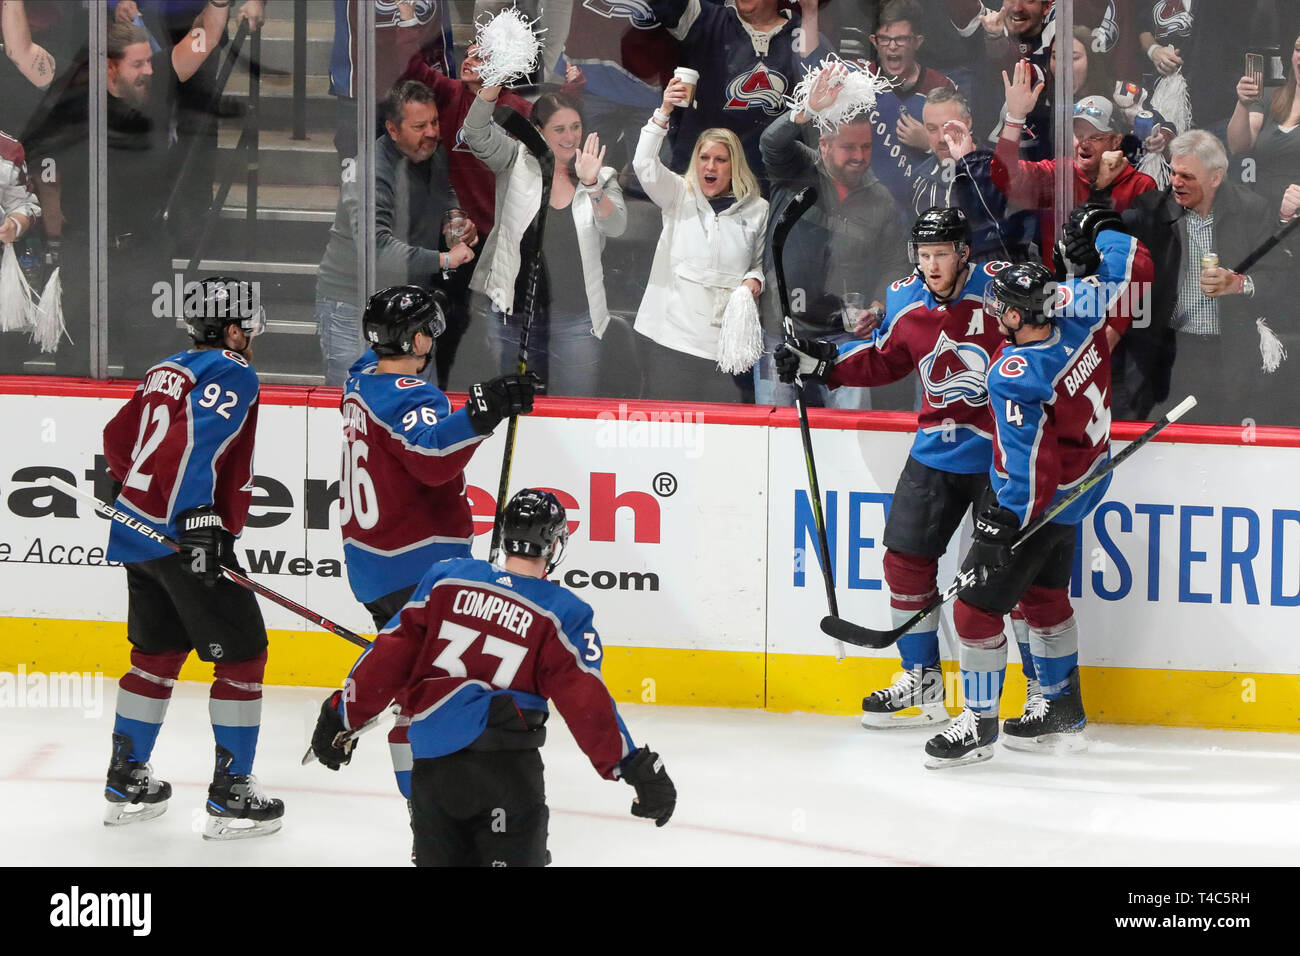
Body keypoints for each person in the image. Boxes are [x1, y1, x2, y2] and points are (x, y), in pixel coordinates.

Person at [311, 488, 677, 867]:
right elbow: (586, 702)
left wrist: (341, 716)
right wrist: (631, 764)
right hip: (505, 773)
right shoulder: (561, 612)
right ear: (554, 546)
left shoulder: (447, 578)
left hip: (434, 771)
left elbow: (387, 656)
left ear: (503, 536)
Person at [775, 207, 1026, 729]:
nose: (933, 267)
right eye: (925, 256)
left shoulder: (1002, 289)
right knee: (904, 562)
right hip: (937, 447)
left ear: (964, 254)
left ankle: (1043, 697)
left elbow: (1047, 340)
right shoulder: (905, 296)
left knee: (1012, 577)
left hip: (1007, 451)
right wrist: (822, 361)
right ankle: (924, 683)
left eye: (942, 255)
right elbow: (886, 358)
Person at [923, 213, 1146, 768]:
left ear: (1019, 315)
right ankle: (1061, 710)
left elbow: (1029, 463)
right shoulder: (1081, 316)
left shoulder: (1017, 372)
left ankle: (977, 723)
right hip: (1085, 482)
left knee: (975, 611)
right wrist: (1108, 232)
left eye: (999, 308)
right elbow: (1126, 269)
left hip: (1040, 506)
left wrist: (1004, 524)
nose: (993, 312)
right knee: (1044, 598)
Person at [337, 284, 541, 800]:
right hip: (419, 570)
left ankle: (424, 806)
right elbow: (431, 459)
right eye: (430, 331)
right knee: (428, 695)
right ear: (419, 339)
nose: (434, 339)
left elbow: (386, 354)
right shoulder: (415, 396)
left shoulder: (358, 381)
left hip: (370, 567)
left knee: (411, 685)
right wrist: (482, 411)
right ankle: (428, 809)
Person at [100, 275, 284, 839]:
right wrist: (197, 519)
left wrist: (126, 485)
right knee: (244, 656)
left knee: (154, 654)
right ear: (232, 330)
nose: (253, 337)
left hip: (140, 534)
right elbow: (194, 443)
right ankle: (232, 796)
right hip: (184, 536)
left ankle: (126, 780)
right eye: (248, 328)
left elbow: (117, 437)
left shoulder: (166, 368)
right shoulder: (232, 370)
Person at [754, 68, 910, 408]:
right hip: (781, 332)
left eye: (866, 147)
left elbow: (894, 265)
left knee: (849, 437)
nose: (859, 156)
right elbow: (771, 142)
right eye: (848, 147)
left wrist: (877, 307)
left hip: (845, 339)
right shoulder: (795, 169)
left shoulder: (880, 198)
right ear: (823, 145)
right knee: (776, 434)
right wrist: (807, 111)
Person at [463, 86, 627, 398]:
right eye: (560, 129)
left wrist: (592, 185)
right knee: (511, 406)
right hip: (513, 314)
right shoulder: (514, 160)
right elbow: (474, 132)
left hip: (576, 319)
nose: (570, 137)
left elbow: (617, 226)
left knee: (574, 410)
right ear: (538, 131)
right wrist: (491, 89)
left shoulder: (599, 174)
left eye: (576, 127)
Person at [316, 80, 479, 387]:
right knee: (356, 403)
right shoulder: (371, 172)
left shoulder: (432, 151)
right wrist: (445, 259)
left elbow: (445, 191)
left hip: (407, 303)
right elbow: (376, 249)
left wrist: (454, 218)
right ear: (392, 130)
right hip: (354, 304)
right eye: (419, 126)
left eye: (434, 122)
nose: (431, 132)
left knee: (412, 402)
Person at [1122, 129, 1288, 422]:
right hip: (1171, 354)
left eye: (1187, 176)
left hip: (1228, 355)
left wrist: (1240, 284)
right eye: (1173, 173)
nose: (1176, 182)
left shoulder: (1251, 210)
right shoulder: (1152, 209)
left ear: (1215, 177)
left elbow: (1278, 279)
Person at [632, 77, 768, 402]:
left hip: (726, 349)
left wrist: (753, 282)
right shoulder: (679, 193)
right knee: (671, 436)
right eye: (704, 158)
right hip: (672, 343)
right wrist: (664, 110)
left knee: (720, 442)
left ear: (734, 165)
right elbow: (643, 165)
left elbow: (757, 266)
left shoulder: (757, 209)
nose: (710, 166)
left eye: (720, 160)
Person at [975, 63, 1159, 270]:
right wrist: (1015, 118)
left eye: (1095, 136)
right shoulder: (1056, 174)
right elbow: (1004, 177)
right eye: (1078, 135)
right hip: (1060, 296)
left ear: (1116, 141)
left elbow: (1146, 258)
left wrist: (1102, 189)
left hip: (1115, 296)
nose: (1083, 143)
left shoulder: (1141, 186)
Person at [647, 0, 829, 193]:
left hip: (769, 190)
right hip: (700, 188)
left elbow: (820, 95)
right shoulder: (704, 18)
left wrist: (810, 11)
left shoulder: (803, 34)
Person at [860, 0, 957, 225]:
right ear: (874, 41)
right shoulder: (859, 80)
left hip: (924, 212)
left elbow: (964, 160)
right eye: (885, 39)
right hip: (869, 212)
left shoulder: (942, 88)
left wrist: (930, 143)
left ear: (917, 42)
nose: (892, 46)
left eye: (901, 39)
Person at [909, 87, 1015, 262]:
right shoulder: (919, 180)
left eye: (948, 127)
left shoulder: (999, 169)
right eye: (932, 129)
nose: (942, 138)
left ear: (968, 122)